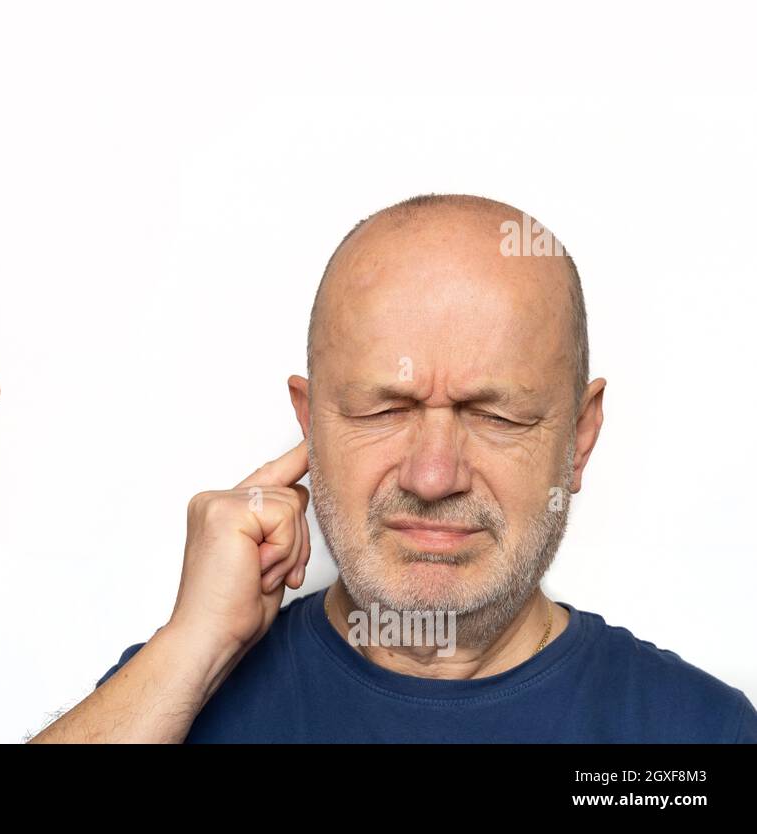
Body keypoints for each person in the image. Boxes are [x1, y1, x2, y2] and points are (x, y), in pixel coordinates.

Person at [71, 194, 757, 743]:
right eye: (383, 410)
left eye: (497, 416)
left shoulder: (701, 735)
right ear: (309, 423)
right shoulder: (166, 701)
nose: (433, 477)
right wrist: (191, 648)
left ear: (579, 438)